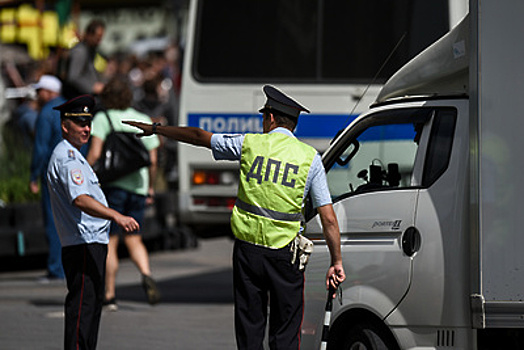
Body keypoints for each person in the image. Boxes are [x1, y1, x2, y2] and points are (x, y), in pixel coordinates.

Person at [125, 85, 346, 350]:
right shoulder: (310, 159)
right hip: (285, 255)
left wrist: (156, 129)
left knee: (249, 328)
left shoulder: (249, 144)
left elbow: (198, 136)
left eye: (263, 117)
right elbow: (329, 218)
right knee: (285, 330)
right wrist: (336, 261)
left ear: (271, 118)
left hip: (248, 253)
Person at [47, 94, 139, 350]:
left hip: (91, 242)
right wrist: (116, 215)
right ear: (65, 125)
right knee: (82, 310)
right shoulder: (66, 158)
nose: (86, 128)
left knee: (90, 308)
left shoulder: (76, 156)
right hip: (83, 243)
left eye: (88, 122)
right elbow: (80, 200)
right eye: (79, 123)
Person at [86, 77, 161, 310]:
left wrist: (84, 173)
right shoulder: (142, 118)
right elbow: (153, 159)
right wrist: (150, 187)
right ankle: (146, 273)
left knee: (111, 240)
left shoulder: (103, 118)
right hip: (138, 186)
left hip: (113, 187)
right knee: (134, 238)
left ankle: (109, 294)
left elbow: (96, 153)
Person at [29, 75, 67, 281]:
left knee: (53, 221)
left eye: (40, 90)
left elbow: (41, 148)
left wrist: (33, 174)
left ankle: (56, 268)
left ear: (50, 91)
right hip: (73, 171)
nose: (37, 95)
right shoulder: (69, 109)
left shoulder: (46, 113)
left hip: (52, 173)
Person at [63, 19, 106, 99]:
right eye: (97, 38)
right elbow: (73, 77)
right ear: (89, 35)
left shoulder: (90, 50)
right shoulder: (80, 52)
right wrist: (92, 87)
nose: (99, 42)